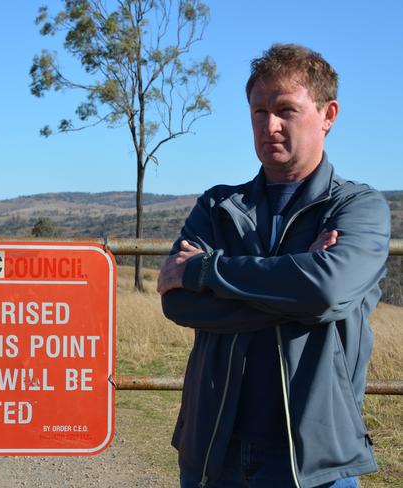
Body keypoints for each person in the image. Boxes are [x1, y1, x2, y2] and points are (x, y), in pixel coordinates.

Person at [157, 44, 390, 488]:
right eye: (258, 110)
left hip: (313, 462)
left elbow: (325, 291)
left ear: (328, 114)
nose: (270, 125)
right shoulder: (219, 205)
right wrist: (296, 286)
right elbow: (180, 304)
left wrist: (206, 272)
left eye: (286, 109)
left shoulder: (357, 209)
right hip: (213, 451)